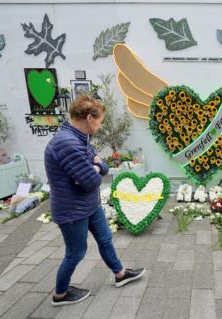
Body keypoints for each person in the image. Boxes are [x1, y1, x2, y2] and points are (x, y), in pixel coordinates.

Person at [44, 95, 145, 306]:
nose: (100, 126)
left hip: (89, 205)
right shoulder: (67, 144)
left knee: (106, 239)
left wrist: (96, 166)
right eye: (100, 121)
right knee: (76, 252)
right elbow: (90, 181)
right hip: (72, 211)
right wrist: (94, 168)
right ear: (90, 118)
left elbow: (103, 167)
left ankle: (120, 274)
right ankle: (60, 294)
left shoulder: (80, 138)